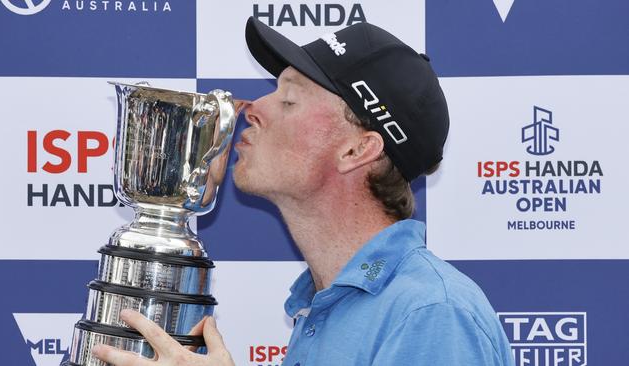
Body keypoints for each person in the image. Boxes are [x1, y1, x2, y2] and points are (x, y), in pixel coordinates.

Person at [92, 16, 514, 366]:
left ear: (357, 149)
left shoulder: (431, 314)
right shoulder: (323, 302)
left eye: (289, 99)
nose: (251, 108)